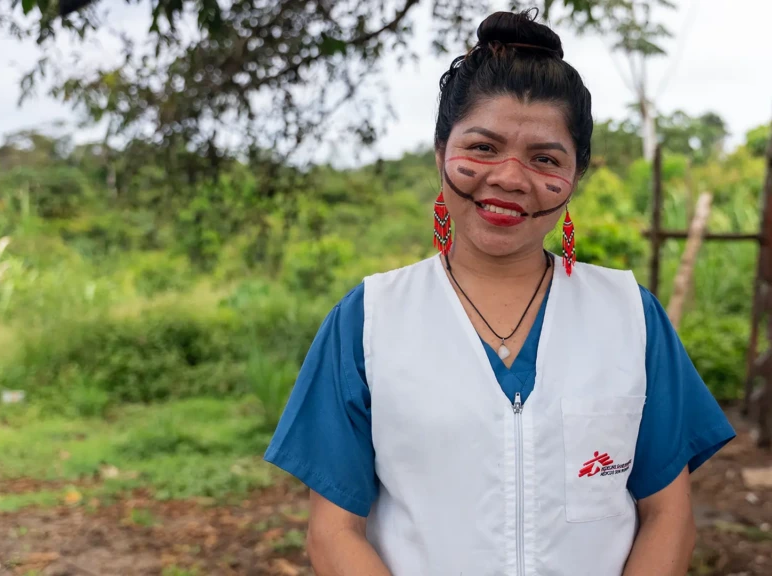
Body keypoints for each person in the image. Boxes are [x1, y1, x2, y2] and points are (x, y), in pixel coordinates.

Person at [264, 9, 735, 576]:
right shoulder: (367, 320)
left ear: (575, 177)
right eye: (483, 148)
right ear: (441, 153)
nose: (510, 178)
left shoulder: (631, 317)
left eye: (545, 159)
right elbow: (334, 530)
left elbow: (668, 516)